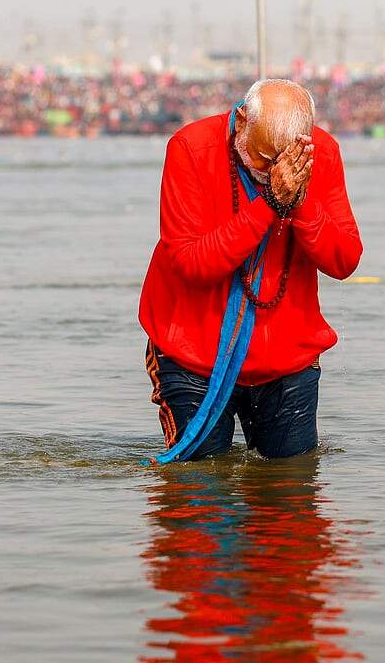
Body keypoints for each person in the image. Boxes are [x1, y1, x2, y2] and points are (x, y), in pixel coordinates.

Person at [138, 79, 362, 462]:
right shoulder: (190, 147)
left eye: (281, 160)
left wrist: (301, 202)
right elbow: (192, 265)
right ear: (240, 121)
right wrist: (270, 203)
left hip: (287, 355)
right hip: (192, 352)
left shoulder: (320, 153)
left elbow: (344, 261)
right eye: (261, 158)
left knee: (292, 494)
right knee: (198, 494)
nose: (271, 172)